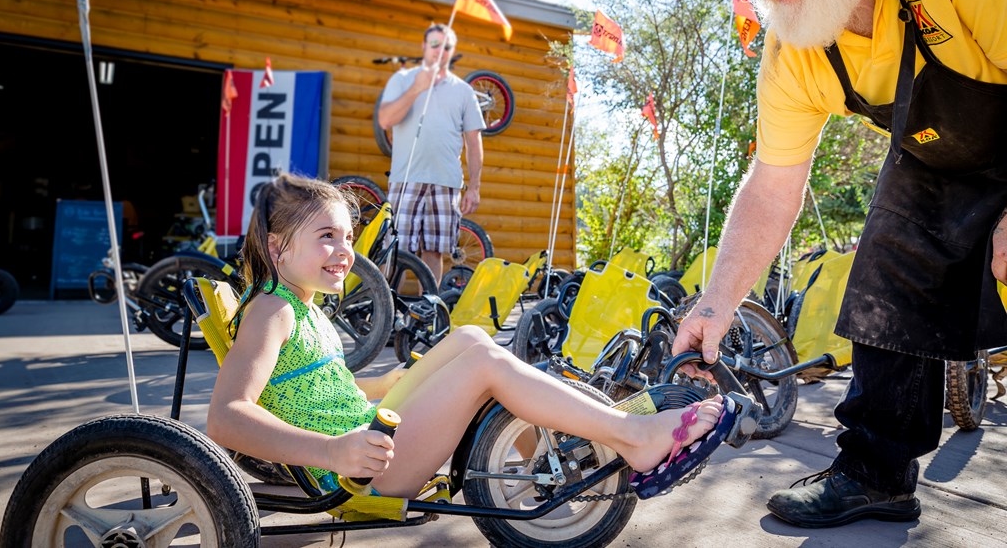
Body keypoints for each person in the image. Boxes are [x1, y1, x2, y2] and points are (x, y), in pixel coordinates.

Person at [675, 0, 1007, 529]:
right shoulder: (796, 48)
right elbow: (771, 187)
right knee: (886, 266)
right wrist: (716, 300)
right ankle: (875, 472)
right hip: (943, 151)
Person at [207, 172, 728, 500]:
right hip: (359, 470)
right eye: (326, 237)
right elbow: (226, 417)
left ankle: (584, 441)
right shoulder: (272, 310)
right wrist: (333, 452)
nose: (345, 250)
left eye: (347, 236)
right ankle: (631, 437)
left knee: (472, 339)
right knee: (484, 366)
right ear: (277, 249)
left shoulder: (304, 308)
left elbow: (311, 389)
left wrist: (387, 381)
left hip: (367, 433)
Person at [377, 24, 484, 283]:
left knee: (435, 252)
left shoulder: (464, 91)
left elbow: (473, 140)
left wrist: (474, 186)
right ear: (424, 47)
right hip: (406, 180)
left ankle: (429, 314)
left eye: (446, 46)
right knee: (395, 251)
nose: (440, 51)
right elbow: (385, 120)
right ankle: (385, 314)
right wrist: (416, 88)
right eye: (435, 44)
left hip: (446, 184)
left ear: (453, 51)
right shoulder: (403, 80)